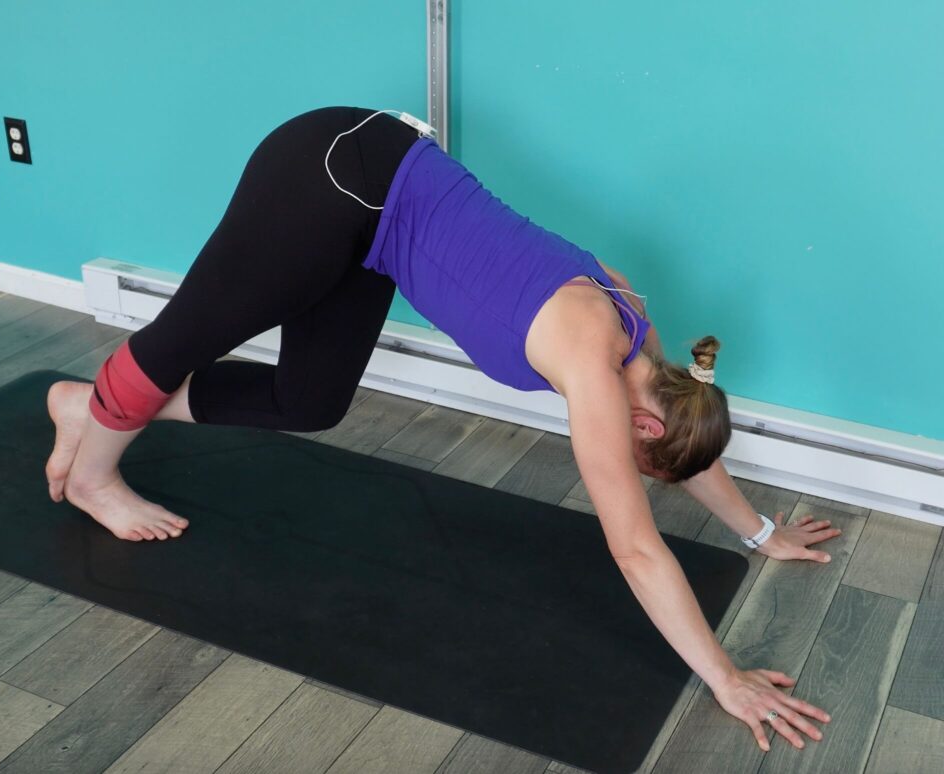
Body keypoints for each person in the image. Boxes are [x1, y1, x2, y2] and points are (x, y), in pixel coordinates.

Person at [44, 106, 841, 753]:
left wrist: (759, 530)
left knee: (308, 401)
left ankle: (92, 408)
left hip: (371, 227)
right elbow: (635, 548)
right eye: (642, 461)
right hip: (333, 175)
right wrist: (724, 677)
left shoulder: (645, 342)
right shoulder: (597, 365)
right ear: (639, 422)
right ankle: (92, 478)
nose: (633, 466)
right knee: (182, 337)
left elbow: (686, 444)